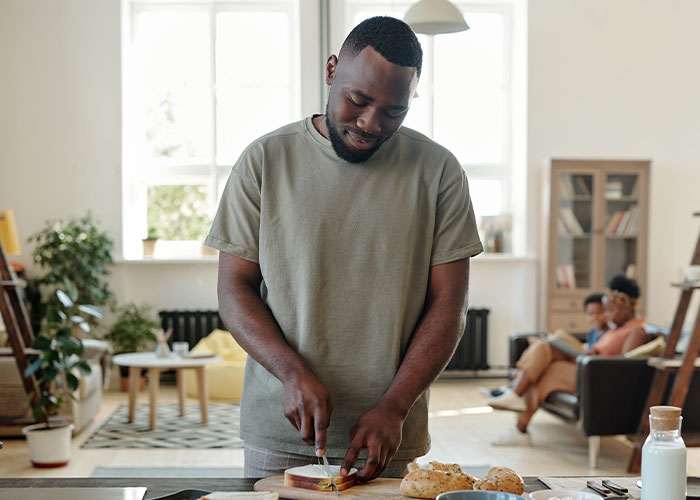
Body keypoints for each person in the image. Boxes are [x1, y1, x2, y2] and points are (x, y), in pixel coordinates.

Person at [206, 16, 483, 481]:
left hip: (386, 434)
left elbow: (449, 305)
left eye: (394, 111)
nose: (370, 123)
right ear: (332, 70)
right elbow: (234, 288)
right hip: (281, 432)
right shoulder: (264, 160)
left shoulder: (439, 172)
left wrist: (394, 406)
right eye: (358, 100)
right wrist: (291, 372)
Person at [485, 275, 647, 446]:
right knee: (544, 347)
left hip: (598, 378)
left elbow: (625, 368)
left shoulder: (636, 331)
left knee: (549, 369)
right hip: (586, 367)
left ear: (625, 308)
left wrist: (593, 358)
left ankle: (516, 402)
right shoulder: (617, 328)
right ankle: (517, 408)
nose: (606, 315)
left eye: (610, 310)